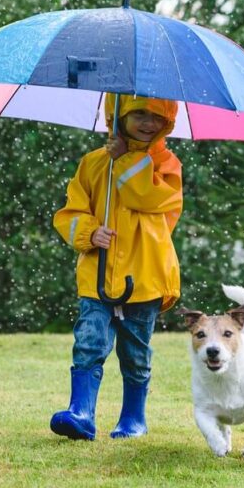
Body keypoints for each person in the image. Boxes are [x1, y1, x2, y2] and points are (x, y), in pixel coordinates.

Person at [50, 93, 183, 441]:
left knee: (135, 352)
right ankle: (81, 412)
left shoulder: (167, 165)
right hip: (97, 275)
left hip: (145, 276)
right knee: (89, 341)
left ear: (167, 121)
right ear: (116, 114)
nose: (147, 122)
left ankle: (133, 418)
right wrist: (90, 233)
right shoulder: (94, 163)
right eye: (137, 112)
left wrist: (125, 160)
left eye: (156, 116)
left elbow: (150, 199)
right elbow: (69, 213)